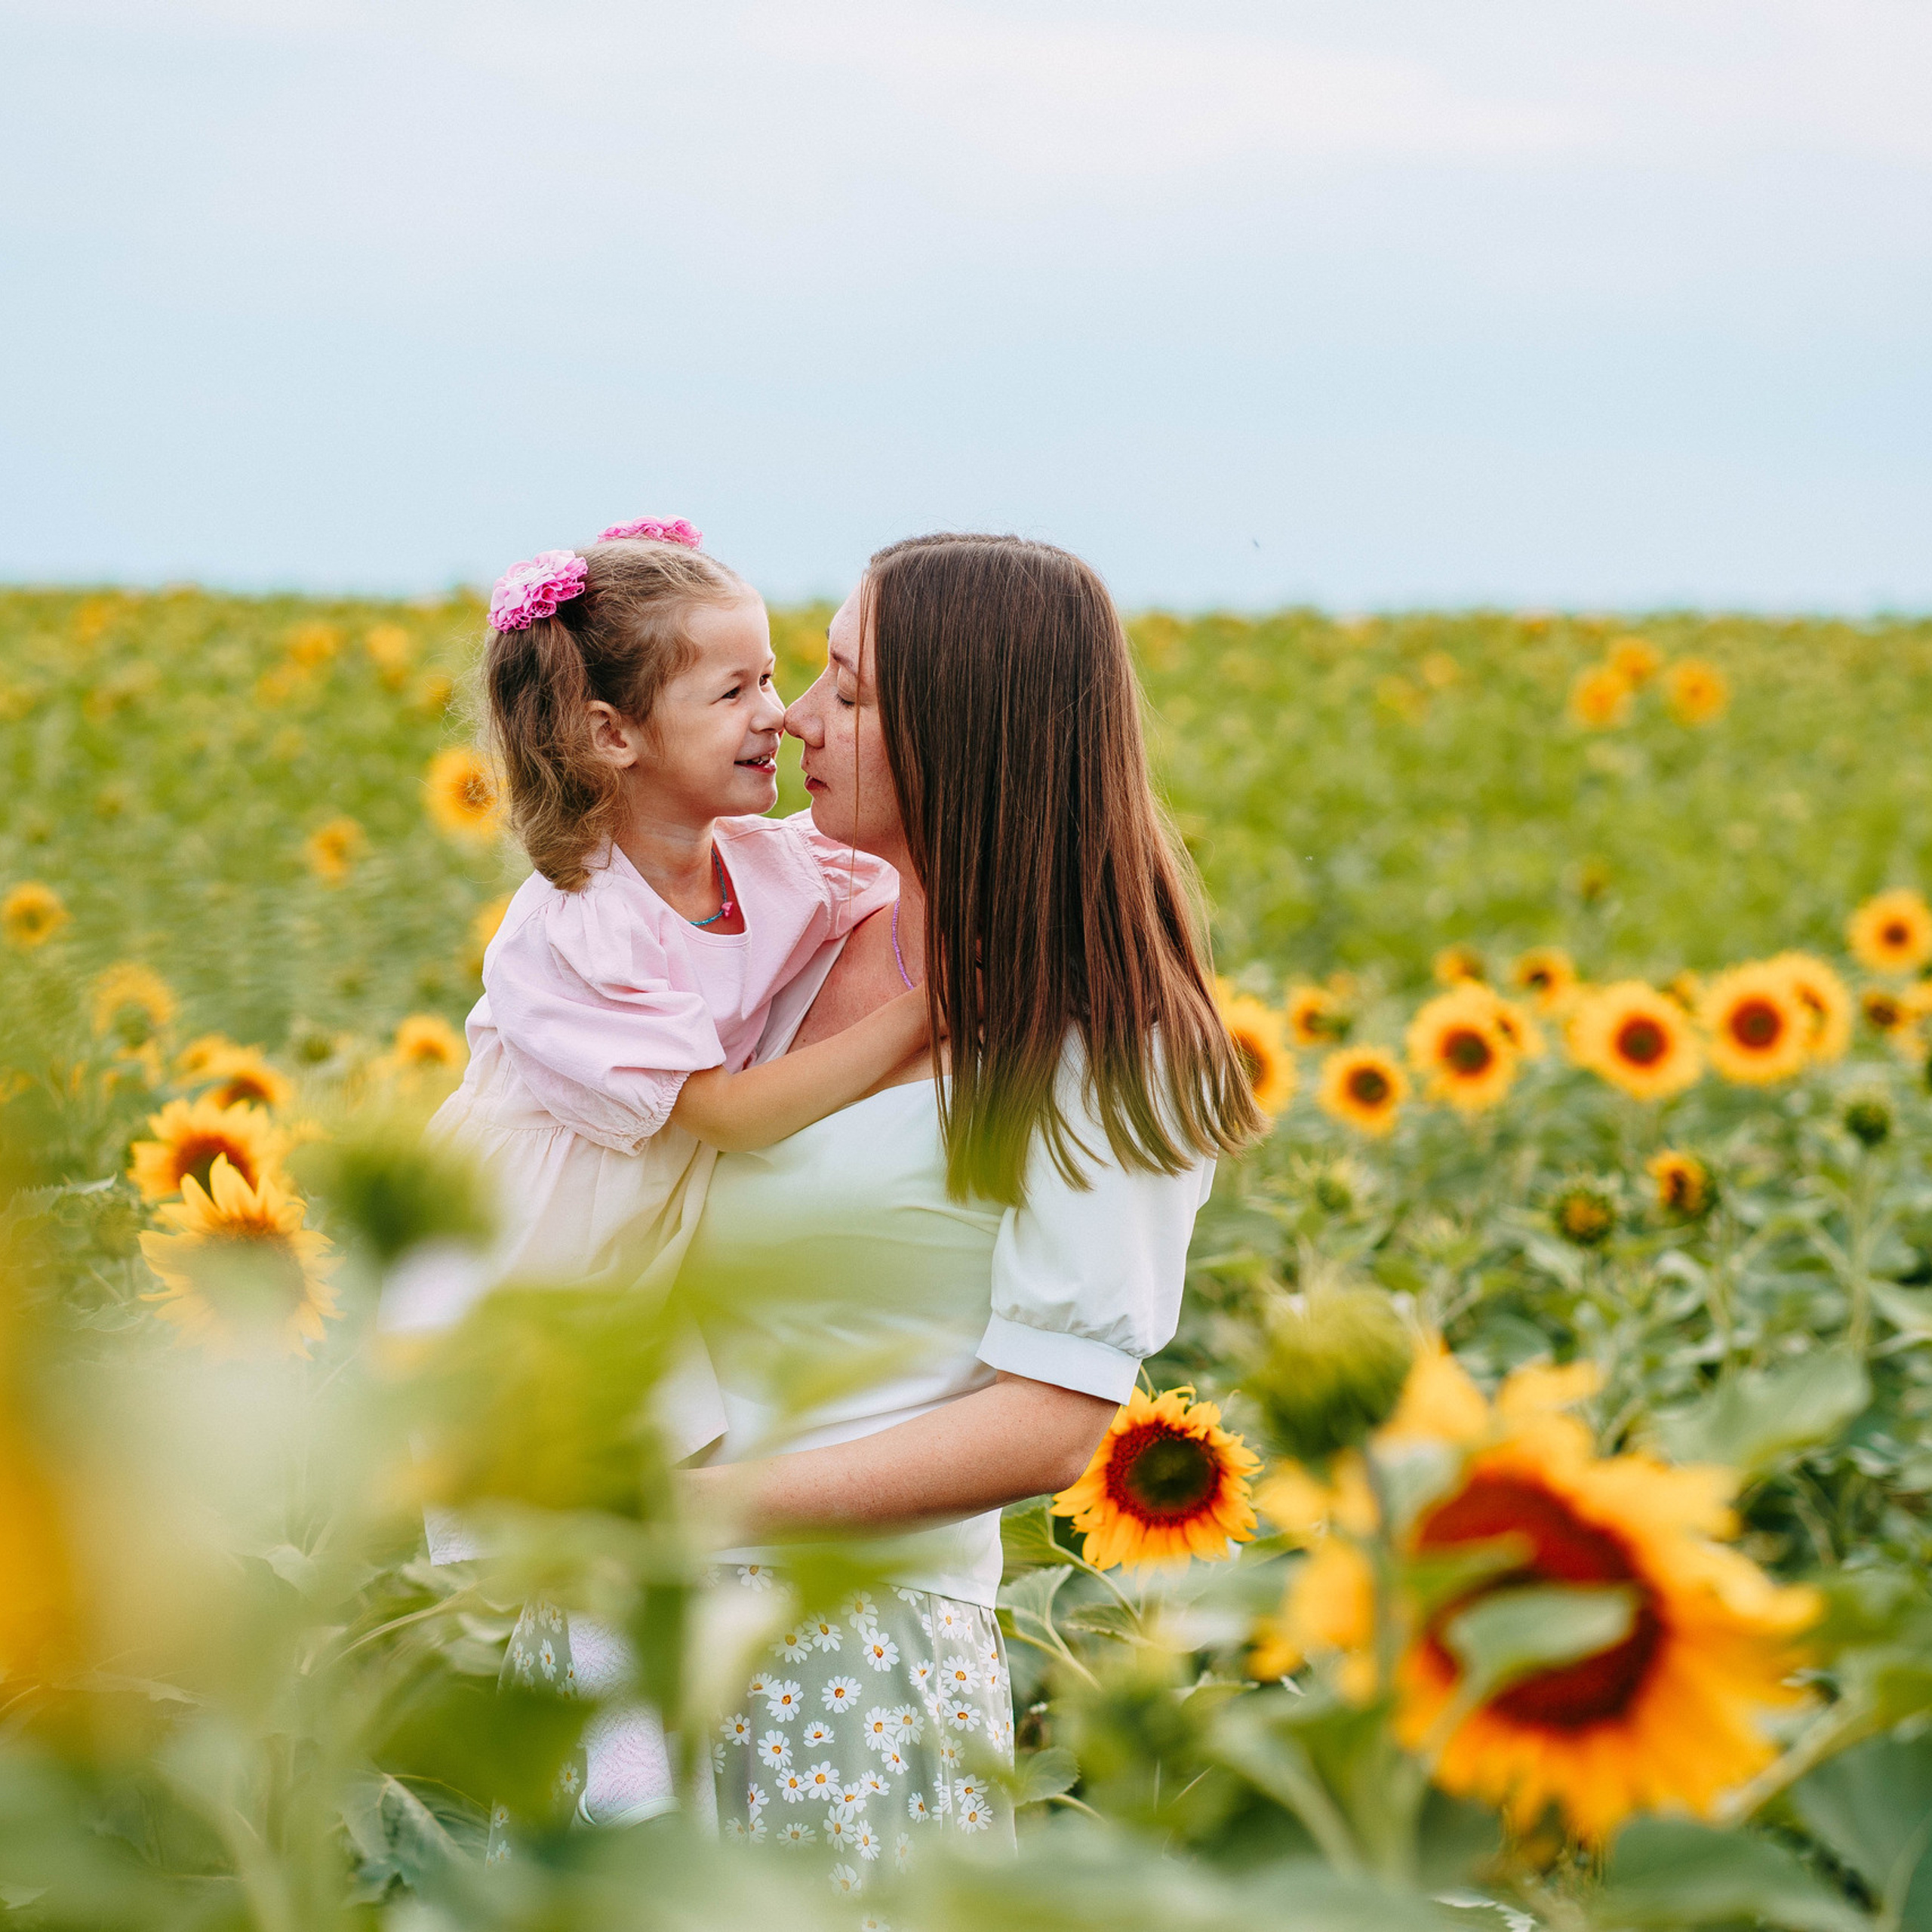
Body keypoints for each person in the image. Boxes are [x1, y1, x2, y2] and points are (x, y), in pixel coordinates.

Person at [680, 534, 1263, 1881]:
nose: (794, 718)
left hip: (845, 1652)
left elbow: (1050, 1417)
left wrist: (701, 1512)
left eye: (848, 690)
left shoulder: (1106, 1043)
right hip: (630, 1620)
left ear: (967, 734)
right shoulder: (796, 909)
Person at [412, 519, 926, 1829]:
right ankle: (621, 1818)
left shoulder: (768, 859)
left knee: (650, 1529)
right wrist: (924, 1023)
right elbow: (732, 1120)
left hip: (647, 1248)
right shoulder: (574, 927)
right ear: (611, 736)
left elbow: (893, 891)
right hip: (544, 1263)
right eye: (736, 690)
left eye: (779, 679)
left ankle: (660, 1796)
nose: (781, 717)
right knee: (577, 1541)